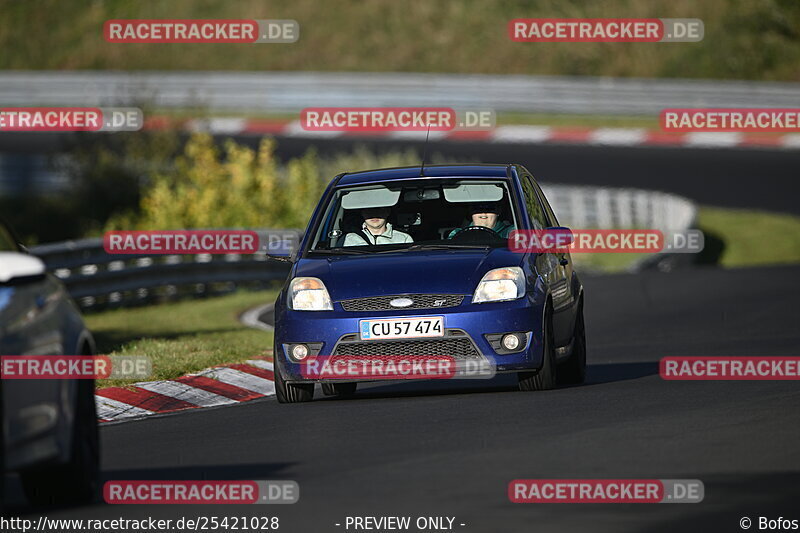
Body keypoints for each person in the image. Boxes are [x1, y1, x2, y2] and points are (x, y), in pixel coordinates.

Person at [343, 207, 413, 246]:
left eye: (379, 209)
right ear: (362, 213)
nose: (374, 214)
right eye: (369, 210)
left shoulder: (404, 239)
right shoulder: (349, 239)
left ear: (388, 212)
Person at [447, 202, 515, 239]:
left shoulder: (511, 233)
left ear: (498, 212)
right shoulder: (457, 234)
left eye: (490, 208)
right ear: (471, 212)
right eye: (477, 208)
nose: (483, 212)